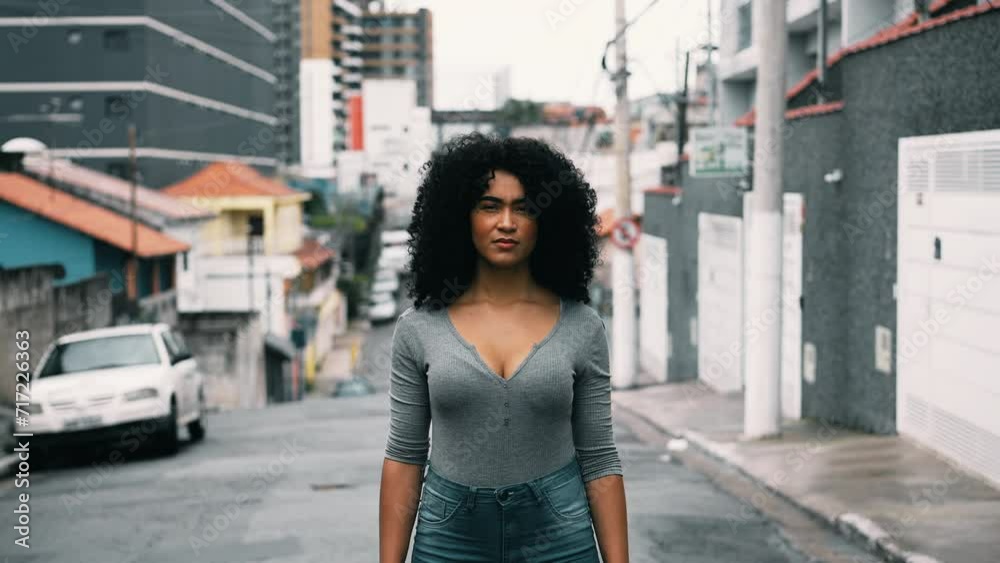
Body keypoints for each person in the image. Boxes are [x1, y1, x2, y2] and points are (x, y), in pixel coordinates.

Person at [378, 133, 629, 562]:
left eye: (524, 208)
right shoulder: (418, 328)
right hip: (449, 535)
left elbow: (600, 457)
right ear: (461, 216)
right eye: (489, 206)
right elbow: (404, 456)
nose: (507, 222)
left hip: (560, 533)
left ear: (546, 220)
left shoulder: (582, 326)